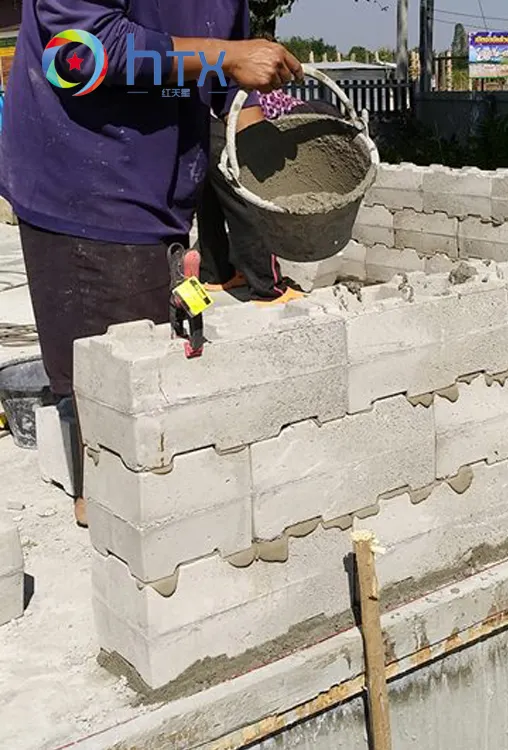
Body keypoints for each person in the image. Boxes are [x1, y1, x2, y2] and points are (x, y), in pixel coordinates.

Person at [0, 0, 302, 527]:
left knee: (157, 359)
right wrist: (229, 57)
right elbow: (82, 51)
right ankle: (112, 516)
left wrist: (269, 167)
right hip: (83, 181)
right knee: (112, 380)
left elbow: (223, 82)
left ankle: (143, 502)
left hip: (159, 179)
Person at [196, 69, 343, 300]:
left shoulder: (288, 105)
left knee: (211, 204)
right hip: (230, 132)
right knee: (251, 211)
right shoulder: (296, 123)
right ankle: (269, 288)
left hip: (205, 125)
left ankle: (216, 275)